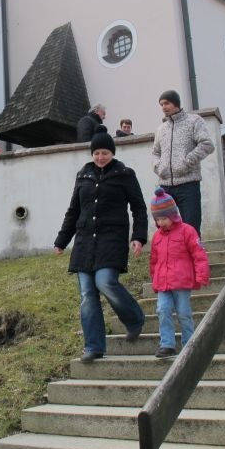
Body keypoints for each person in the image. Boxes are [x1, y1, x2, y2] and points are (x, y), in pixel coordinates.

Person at [54, 125, 148, 363]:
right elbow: (73, 210)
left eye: (105, 152)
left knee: (105, 282)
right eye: (96, 153)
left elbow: (139, 208)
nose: (100, 157)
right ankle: (93, 346)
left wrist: (138, 237)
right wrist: (62, 240)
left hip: (112, 239)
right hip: (85, 241)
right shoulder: (83, 175)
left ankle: (134, 318)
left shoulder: (125, 174)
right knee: (87, 294)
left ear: (112, 152)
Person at [148, 188, 210, 359]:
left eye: (164, 218)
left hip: (182, 281)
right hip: (163, 282)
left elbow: (199, 254)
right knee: (162, 310)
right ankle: (167, 344)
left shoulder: (187, 231)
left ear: (173, 215)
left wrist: (202, 275)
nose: (161, 222)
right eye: (158, 219)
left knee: (183, 313)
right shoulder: (157, 237)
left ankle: (189, 343)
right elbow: (154, 260)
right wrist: (154, 279)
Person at [151, 90, 214, 237]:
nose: (163, 107)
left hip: (188, 184)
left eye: (166, 103)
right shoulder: (161, 129)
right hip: (165, 187)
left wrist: (187, 162)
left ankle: (195, 252)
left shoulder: (194, 121)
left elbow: (207, 144)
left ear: (176, 103)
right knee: (166, 229)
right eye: (161, 104)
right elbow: (155, 152)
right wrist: (158, 167)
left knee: (191, 228)